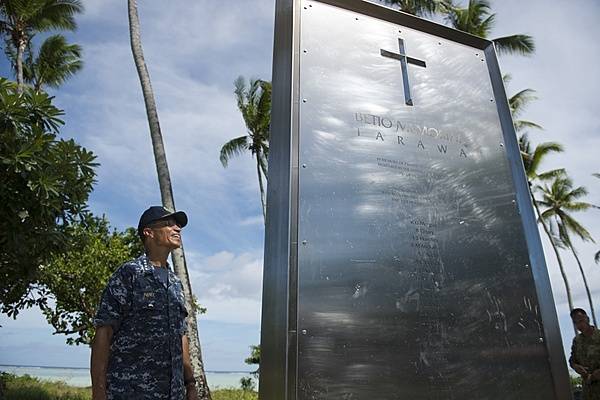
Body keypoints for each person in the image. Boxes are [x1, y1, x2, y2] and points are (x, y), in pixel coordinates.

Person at [90, 206, 199, 400]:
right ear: (149, 232)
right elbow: (103, 332)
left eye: (178, 225)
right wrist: (98, 392)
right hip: (130, 392)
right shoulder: (129, 274)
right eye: (169, 224)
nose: (177, 228)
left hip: (173, 394)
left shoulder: (175, 283)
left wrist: (190, 385)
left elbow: (181, 335)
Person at [570, 308, 600, 400]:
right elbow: (572, 360)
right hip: (588, 391)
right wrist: (576, 367)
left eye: (581, 320)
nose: (579, 325)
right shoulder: (577, 341)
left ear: (587, 318)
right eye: (576, 322)